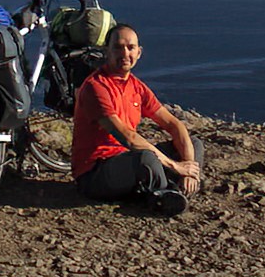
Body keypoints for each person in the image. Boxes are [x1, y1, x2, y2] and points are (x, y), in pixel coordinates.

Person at [70, 24, 203, 215]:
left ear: (139, 52)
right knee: (146, 158)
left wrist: (188, 165)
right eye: (118, 47)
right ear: (106, 51)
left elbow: (174, 125)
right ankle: (164, 195)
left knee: (193, 144)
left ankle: (174, 189)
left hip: (127, 161)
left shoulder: (136, 86)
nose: (125, 53)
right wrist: (175, 166)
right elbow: (128, 138)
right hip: (95, 172)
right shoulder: (96, 87)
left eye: (130, 47)